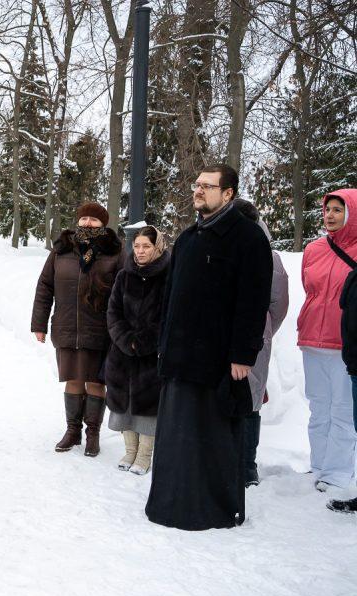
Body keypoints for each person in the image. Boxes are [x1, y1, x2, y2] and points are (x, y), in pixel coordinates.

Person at [145, 165, 273, 531]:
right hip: (179, 358)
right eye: (196, 184)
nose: (198, 190)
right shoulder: (188, 238)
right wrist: (164, 345)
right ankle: (171, 505)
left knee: (211, 440)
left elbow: (253, 301)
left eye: (207, 186)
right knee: (177, 439)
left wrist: (243, 354)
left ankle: (212, 510)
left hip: (217, 362)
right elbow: (170, 299)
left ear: (228, 193)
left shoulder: (248, 238)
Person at [31, 202, 124, 457]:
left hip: (101, 329)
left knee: (95, 381)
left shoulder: (115, 252)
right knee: (73, 380)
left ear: (103, 224)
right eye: (83, 219)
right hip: (67, 326)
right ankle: (72, 431)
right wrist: (39, 324)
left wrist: (123, 330)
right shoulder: (62, 250)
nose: (87, 223)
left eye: (94, 220)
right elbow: (45, 286)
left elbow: (124, 292)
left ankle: (92, 433)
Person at [295, 189, 357, 494]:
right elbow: (310, 289)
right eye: (327, 209)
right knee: (318, 408)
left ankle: (338, 472)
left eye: (338, 210)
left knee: (343, 410)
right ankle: (319, 465)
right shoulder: (314, 249)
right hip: (311, 339)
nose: (330, 215)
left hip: (345, 342)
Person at [105, 225, 170, 475]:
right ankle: (129, 451)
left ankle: (144, 456)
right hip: (122, 353)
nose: (140, 251)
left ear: (158, 247)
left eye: (147, 246)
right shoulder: (124, 275)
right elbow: (113, 312)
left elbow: (167, 318)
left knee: (147, 408)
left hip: (151, 356)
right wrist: (125, 339)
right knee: (124, 406)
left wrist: (143, 342)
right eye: (137, 246)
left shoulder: (167, 276)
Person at [234, 199, 290, 487]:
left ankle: (246, 465)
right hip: (222, 337)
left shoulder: (269, 256)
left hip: (255, 338)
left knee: (251, 398)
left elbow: (278, 305)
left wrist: (263, 329)